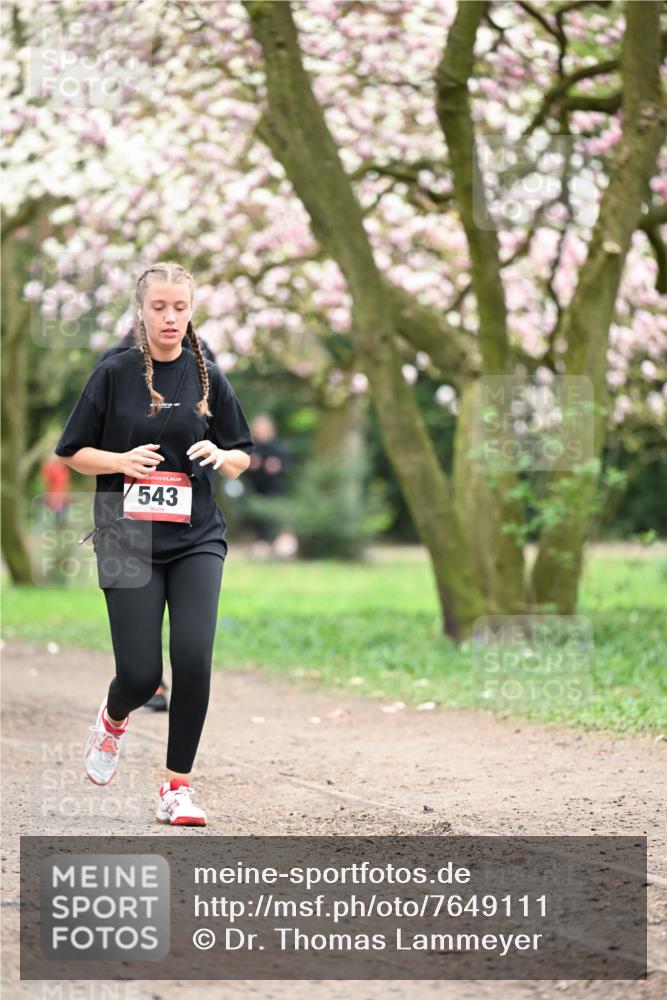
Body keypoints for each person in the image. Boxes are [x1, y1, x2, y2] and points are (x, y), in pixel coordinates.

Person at [55, 261, 254, 826]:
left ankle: (177, 787)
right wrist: (119, 462)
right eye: (159, 307)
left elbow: (241, 453)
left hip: (196, 538)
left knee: (192, 657)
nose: (170, 317)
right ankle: (114, 717)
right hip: (125, 536)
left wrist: (223, 456)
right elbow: (71, 451)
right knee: (142, 675)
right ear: (140, 311)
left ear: (192, 312)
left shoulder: (209, 376)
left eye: (180, 307)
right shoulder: (113, 375)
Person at [93, 327, 217, 712]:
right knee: (139, 665)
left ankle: (176, 764)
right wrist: (120, 461)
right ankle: (146, 682)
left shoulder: (203, 363)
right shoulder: (113, 365)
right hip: (127, 526)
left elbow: (216, 427)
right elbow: (84, 440)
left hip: (189, 524)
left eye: (179, 307)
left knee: (191, 642)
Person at [245, 414, 296, 558]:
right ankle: (261, 544)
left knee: (276, 517)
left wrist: (277, 466)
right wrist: (250, 464)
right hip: (256, 491)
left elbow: (288, 466)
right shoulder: (250, 446)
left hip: (276, 491)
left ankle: (280, 544)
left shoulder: (279, 446)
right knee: (259, 520)